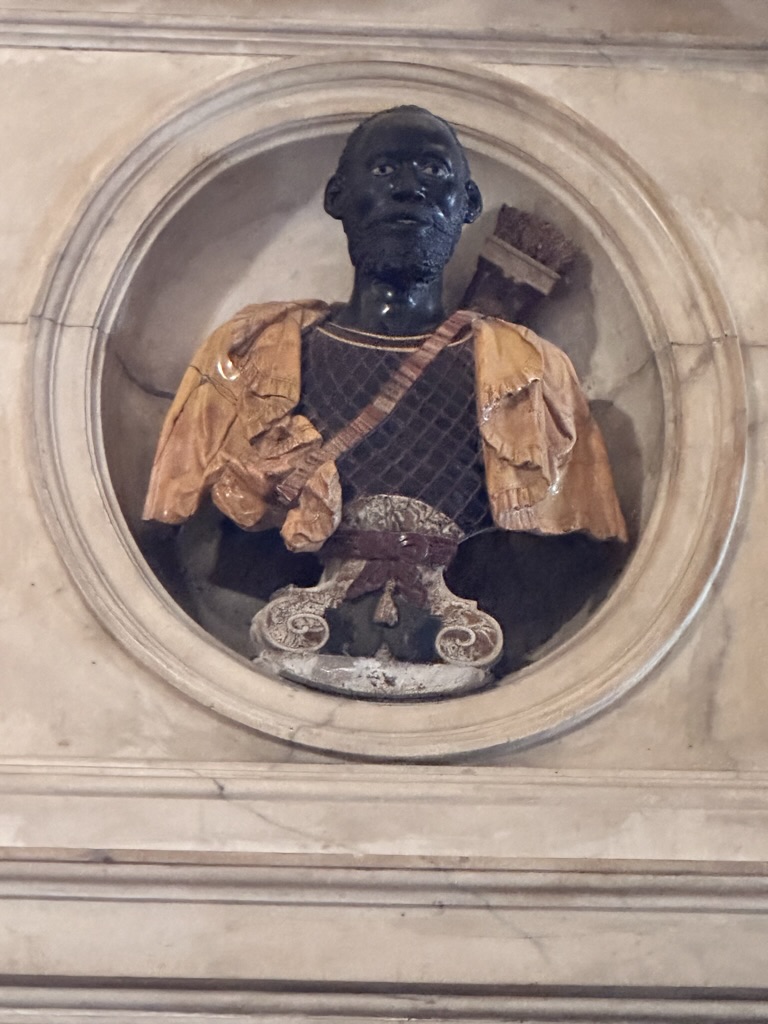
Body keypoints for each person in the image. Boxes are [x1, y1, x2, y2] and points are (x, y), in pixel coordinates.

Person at [143, 106, 626, 681]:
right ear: (337, 196)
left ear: (467, 203)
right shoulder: (250, 352)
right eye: (384, 170)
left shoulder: (529, 370)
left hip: (471, 648)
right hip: (271, 640)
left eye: (432, 170)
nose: (408, 188)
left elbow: (576, 552)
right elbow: (172, 529)